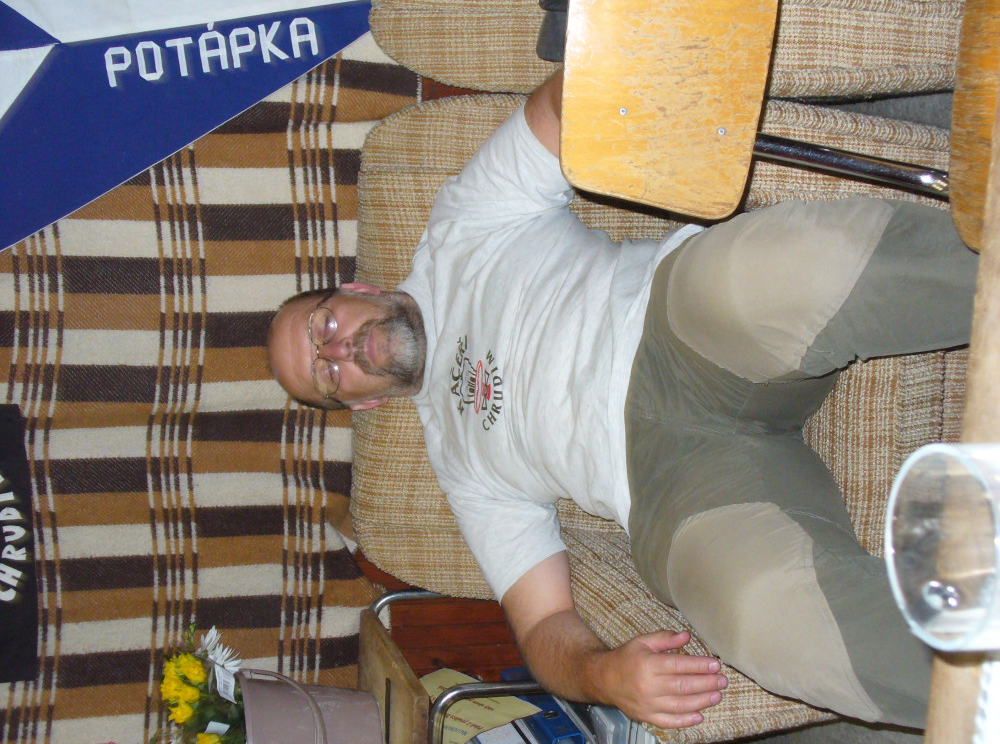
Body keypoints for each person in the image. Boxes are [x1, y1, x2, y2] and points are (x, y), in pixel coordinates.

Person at [268, 69, 979, 730]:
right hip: (669, 487)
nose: (339, 353)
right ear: (361, 406)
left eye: (322, 328)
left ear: (355, 290)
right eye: (326, 378)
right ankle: (981, 681)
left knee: (769, 278)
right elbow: (541, 628)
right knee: (764, 621)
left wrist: (626, 65)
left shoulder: (460, 224)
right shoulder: (459, 466)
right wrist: (602, 676)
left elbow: (555, 109)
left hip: (678, 326)